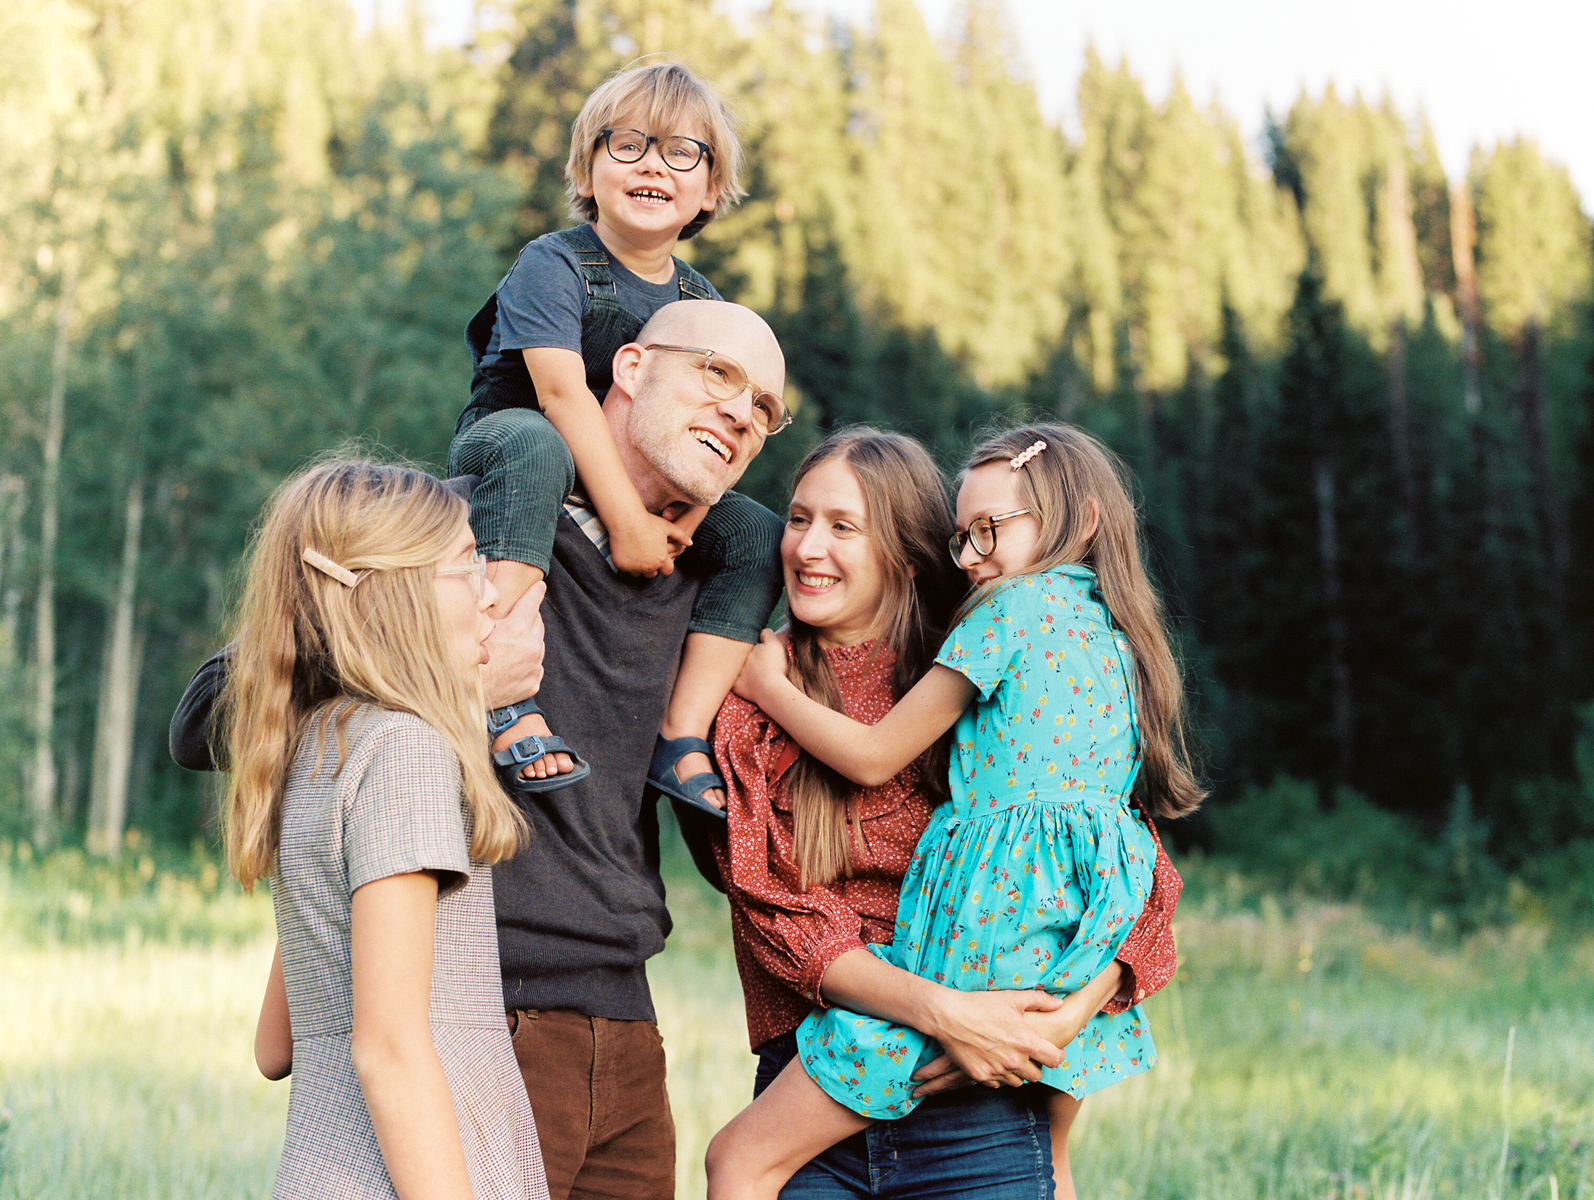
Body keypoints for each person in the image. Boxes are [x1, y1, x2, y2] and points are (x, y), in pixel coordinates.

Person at [173, 298, 788, 1200]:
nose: (743, 413)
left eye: (766, 409)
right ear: (628, 369)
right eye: (717, 375)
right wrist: (449, 679)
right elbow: (204, 718)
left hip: (625, 1018)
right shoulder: (462, 540)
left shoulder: (709, 586)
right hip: (472, 1004)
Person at [707, 424, 1206, 1200]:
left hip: (986, 1097)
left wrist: (1057, 1018)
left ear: (907, 551)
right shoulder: (755, 697)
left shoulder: (986, 665)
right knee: (738, 1163)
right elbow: (772, 908)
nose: (807, 547)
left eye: (844, 527)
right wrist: (945, 1014)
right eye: (798, 519)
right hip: (825, 1074)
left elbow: (1135, 877)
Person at [449, 59, 784, 811]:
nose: (653, 166)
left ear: (708, 186)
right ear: (589, 166)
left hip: (637, 478)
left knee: (756, 536)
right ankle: (501, 679)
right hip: (514, 445)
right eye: (627, 145)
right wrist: (630, 525)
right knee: (537, 446)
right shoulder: (554, 262)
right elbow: (562, 394)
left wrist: (689, 518)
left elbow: (718, 424)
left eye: (681, 153)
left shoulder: (702, 299)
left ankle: (681, 731)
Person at [220, 460, 548, 1200]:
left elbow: (277, 1047)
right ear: (397, 595)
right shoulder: (405, 750)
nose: (491, 590)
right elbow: (389, 1047)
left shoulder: (321, 742)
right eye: (467, 564)